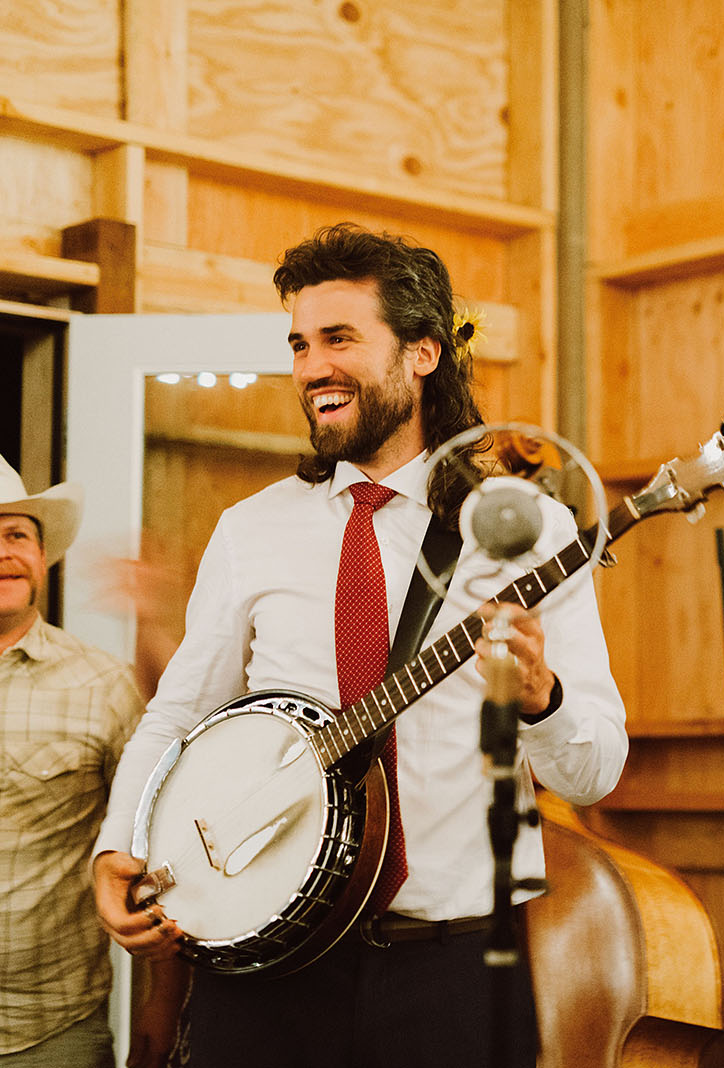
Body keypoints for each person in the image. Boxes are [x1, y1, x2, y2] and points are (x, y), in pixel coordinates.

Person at [90, 223, 629, 1068]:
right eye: (300, 343)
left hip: (452, 972)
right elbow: (179, 713)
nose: (310, 369)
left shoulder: (530, 530)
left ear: (423, 354)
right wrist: (120, 842)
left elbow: (594, 768)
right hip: (262, 969)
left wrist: (543, 702)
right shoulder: (250, 529)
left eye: (339, 339)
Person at [0, 458, 184, 1068]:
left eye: (17, 534)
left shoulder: (101, 685)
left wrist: (160, 1013)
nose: (5, 552)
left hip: (52, 1033)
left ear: (41, 553)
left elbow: (160, 843)